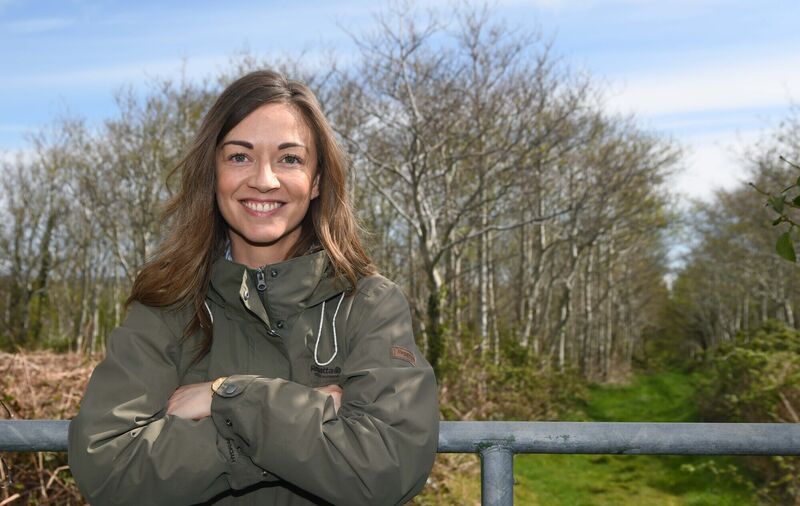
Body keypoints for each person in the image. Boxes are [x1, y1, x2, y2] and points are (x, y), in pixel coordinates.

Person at [68, 70, 439, 505]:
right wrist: (298, 419)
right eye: (240, 157)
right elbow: (108, 466)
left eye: (290, 159)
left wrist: (229, 397)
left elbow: (386, 465)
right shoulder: (167, 305)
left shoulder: (369, 305)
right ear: (213, 173)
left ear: (317, 181)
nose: (264, 179)